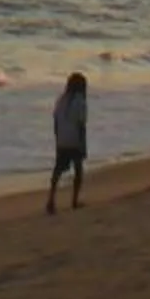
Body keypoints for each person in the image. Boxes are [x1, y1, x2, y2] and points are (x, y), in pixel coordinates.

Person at [46, 71, 88, 213]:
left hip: (62, 139)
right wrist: (83, 144)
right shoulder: (80, 101)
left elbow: (56, 122)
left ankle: (51, 199)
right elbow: (81, 125)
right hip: (74, 139)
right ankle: (74, 201)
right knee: (78, 169)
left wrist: (58, 139)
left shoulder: (61, 100)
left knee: (58, 170)